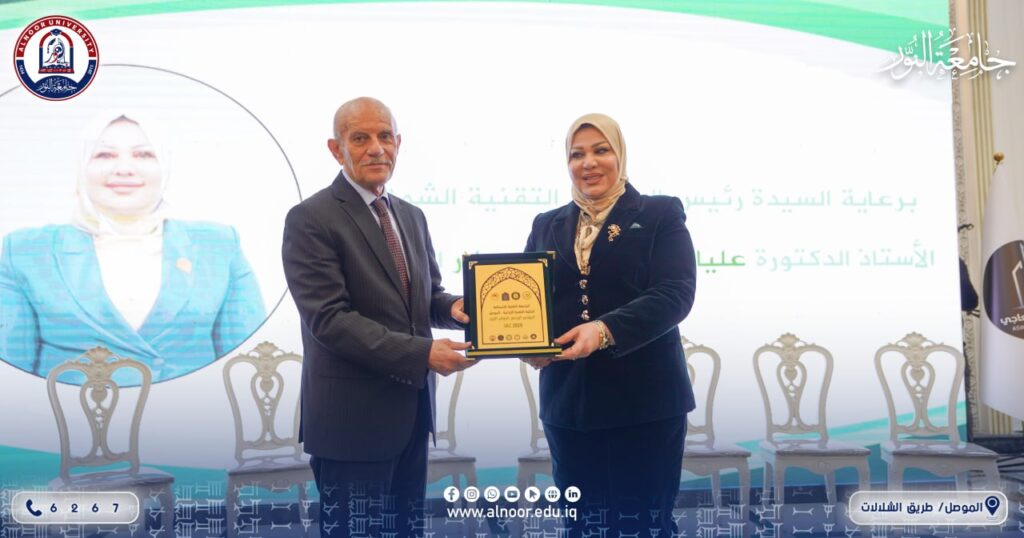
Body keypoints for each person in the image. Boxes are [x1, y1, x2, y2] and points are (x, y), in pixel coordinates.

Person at [281, 97, 474, 538]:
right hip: (352, 425)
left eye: (385, 136)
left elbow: (424, 298)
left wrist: (455, 308)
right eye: (360, 138)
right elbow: (330, 320)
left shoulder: (410, 215)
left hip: (412, 417)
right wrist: (423, 353)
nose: (376, 148)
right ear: (336, 149)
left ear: (398, 143)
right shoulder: (310, 218)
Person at [523, 113, 697, 536]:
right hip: (569, 405)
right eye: (576, 154)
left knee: (645, 525)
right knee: (582, 525)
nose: (588, 163)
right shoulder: (547, 224)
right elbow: (530, 300)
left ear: (620, 155)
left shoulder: (659, 213)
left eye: (601, 150)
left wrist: (603, 330)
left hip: (645, 405)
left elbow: (675, 293)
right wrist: (526, 341)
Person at [0, 112, 265, 382]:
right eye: (105, 155)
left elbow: (249, 365)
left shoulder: (218, 245)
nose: (124, 169)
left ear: (165, 165)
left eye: (143, 155)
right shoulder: (26, 251)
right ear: (82, 166)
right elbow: (8, 378)